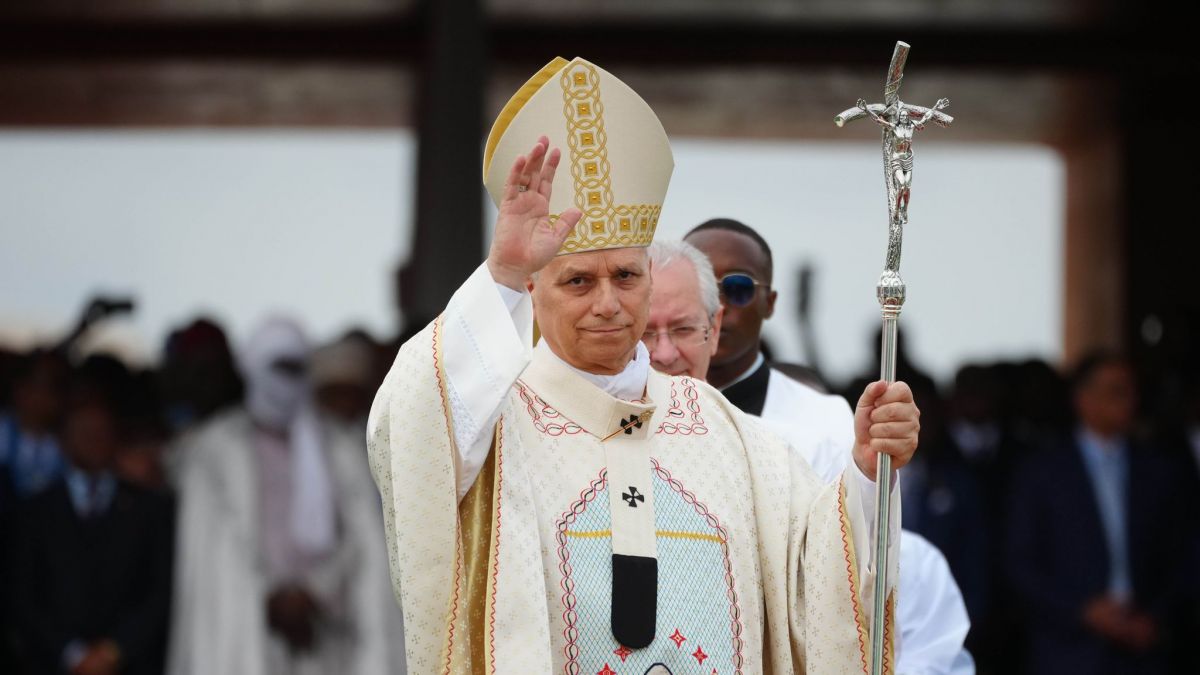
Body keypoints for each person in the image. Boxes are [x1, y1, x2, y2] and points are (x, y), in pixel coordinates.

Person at [368, 56, 920, 673]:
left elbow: (815, 570)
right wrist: (501, 273)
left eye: (626, 276)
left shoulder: (723, 430)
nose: (608, 303)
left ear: (651, 279)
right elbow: (411, 430)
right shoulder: (494, 423)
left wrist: (869, 474)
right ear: (535, 290)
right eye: (577, 281)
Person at [645, 237, 974, 674]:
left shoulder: (766, 447)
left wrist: (867, 474)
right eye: (647, 331)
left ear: (713, 327)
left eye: (683, 329)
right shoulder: (568, 431)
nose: (664, 353)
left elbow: (820, 567)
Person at [168, 318, 405, 675]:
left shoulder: (339, 447)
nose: (286, 381)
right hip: (244, 631)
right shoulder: (214, 450)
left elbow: (362, 537)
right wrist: (270, 595)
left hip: (328, 630)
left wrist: (314, 590)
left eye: (297, 368)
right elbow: (218, 547)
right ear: (252, 368)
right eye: (278, 367)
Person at [1005, 352, 1189, 674]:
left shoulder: (1158, 470)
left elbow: (1180, 553)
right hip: (1067, 652)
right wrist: (1081, 612)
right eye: (1116, 391)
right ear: (1083, 400)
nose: (1130, 401)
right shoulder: (1041, 472)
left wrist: (1155, 617)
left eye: (1132, 391)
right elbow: (1019, 562)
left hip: (1143, 650)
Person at [8, 393, 174, 675]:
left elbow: (161, 591)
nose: (95, 440)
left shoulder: (150, 508)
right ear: (62, 440)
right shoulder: (33, 512)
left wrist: (114, 651)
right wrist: (72, 655)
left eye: (102, 432)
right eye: (84, 432)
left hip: (132, 663)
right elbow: (23, 596)